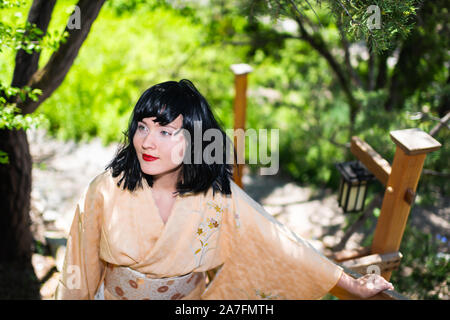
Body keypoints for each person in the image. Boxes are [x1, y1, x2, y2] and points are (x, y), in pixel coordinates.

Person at [55, 79, 394, 300]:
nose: (147, 142)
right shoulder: (105, 190)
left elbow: (279, 241)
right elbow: (80, 265)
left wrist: (351, 284)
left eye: (166, 132)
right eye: (142, 128)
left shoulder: (214, 197)